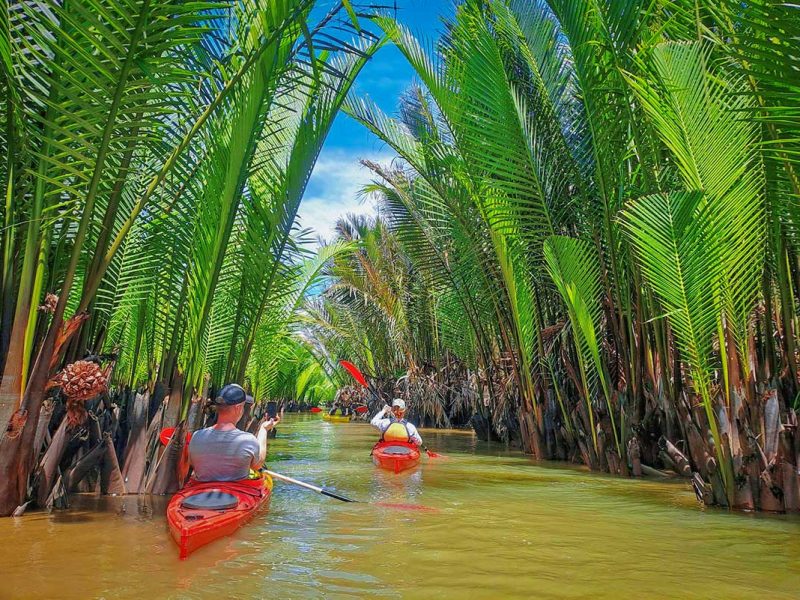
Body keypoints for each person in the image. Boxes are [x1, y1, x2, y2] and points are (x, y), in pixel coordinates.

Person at [188, 383, 279, 482]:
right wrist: (264, 429)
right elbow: (258, 465)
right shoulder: (247, 440)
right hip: (236, 493)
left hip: (201, 491)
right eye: (244, 406)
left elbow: (192, 463)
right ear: (238, 408)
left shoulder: (197, 436)